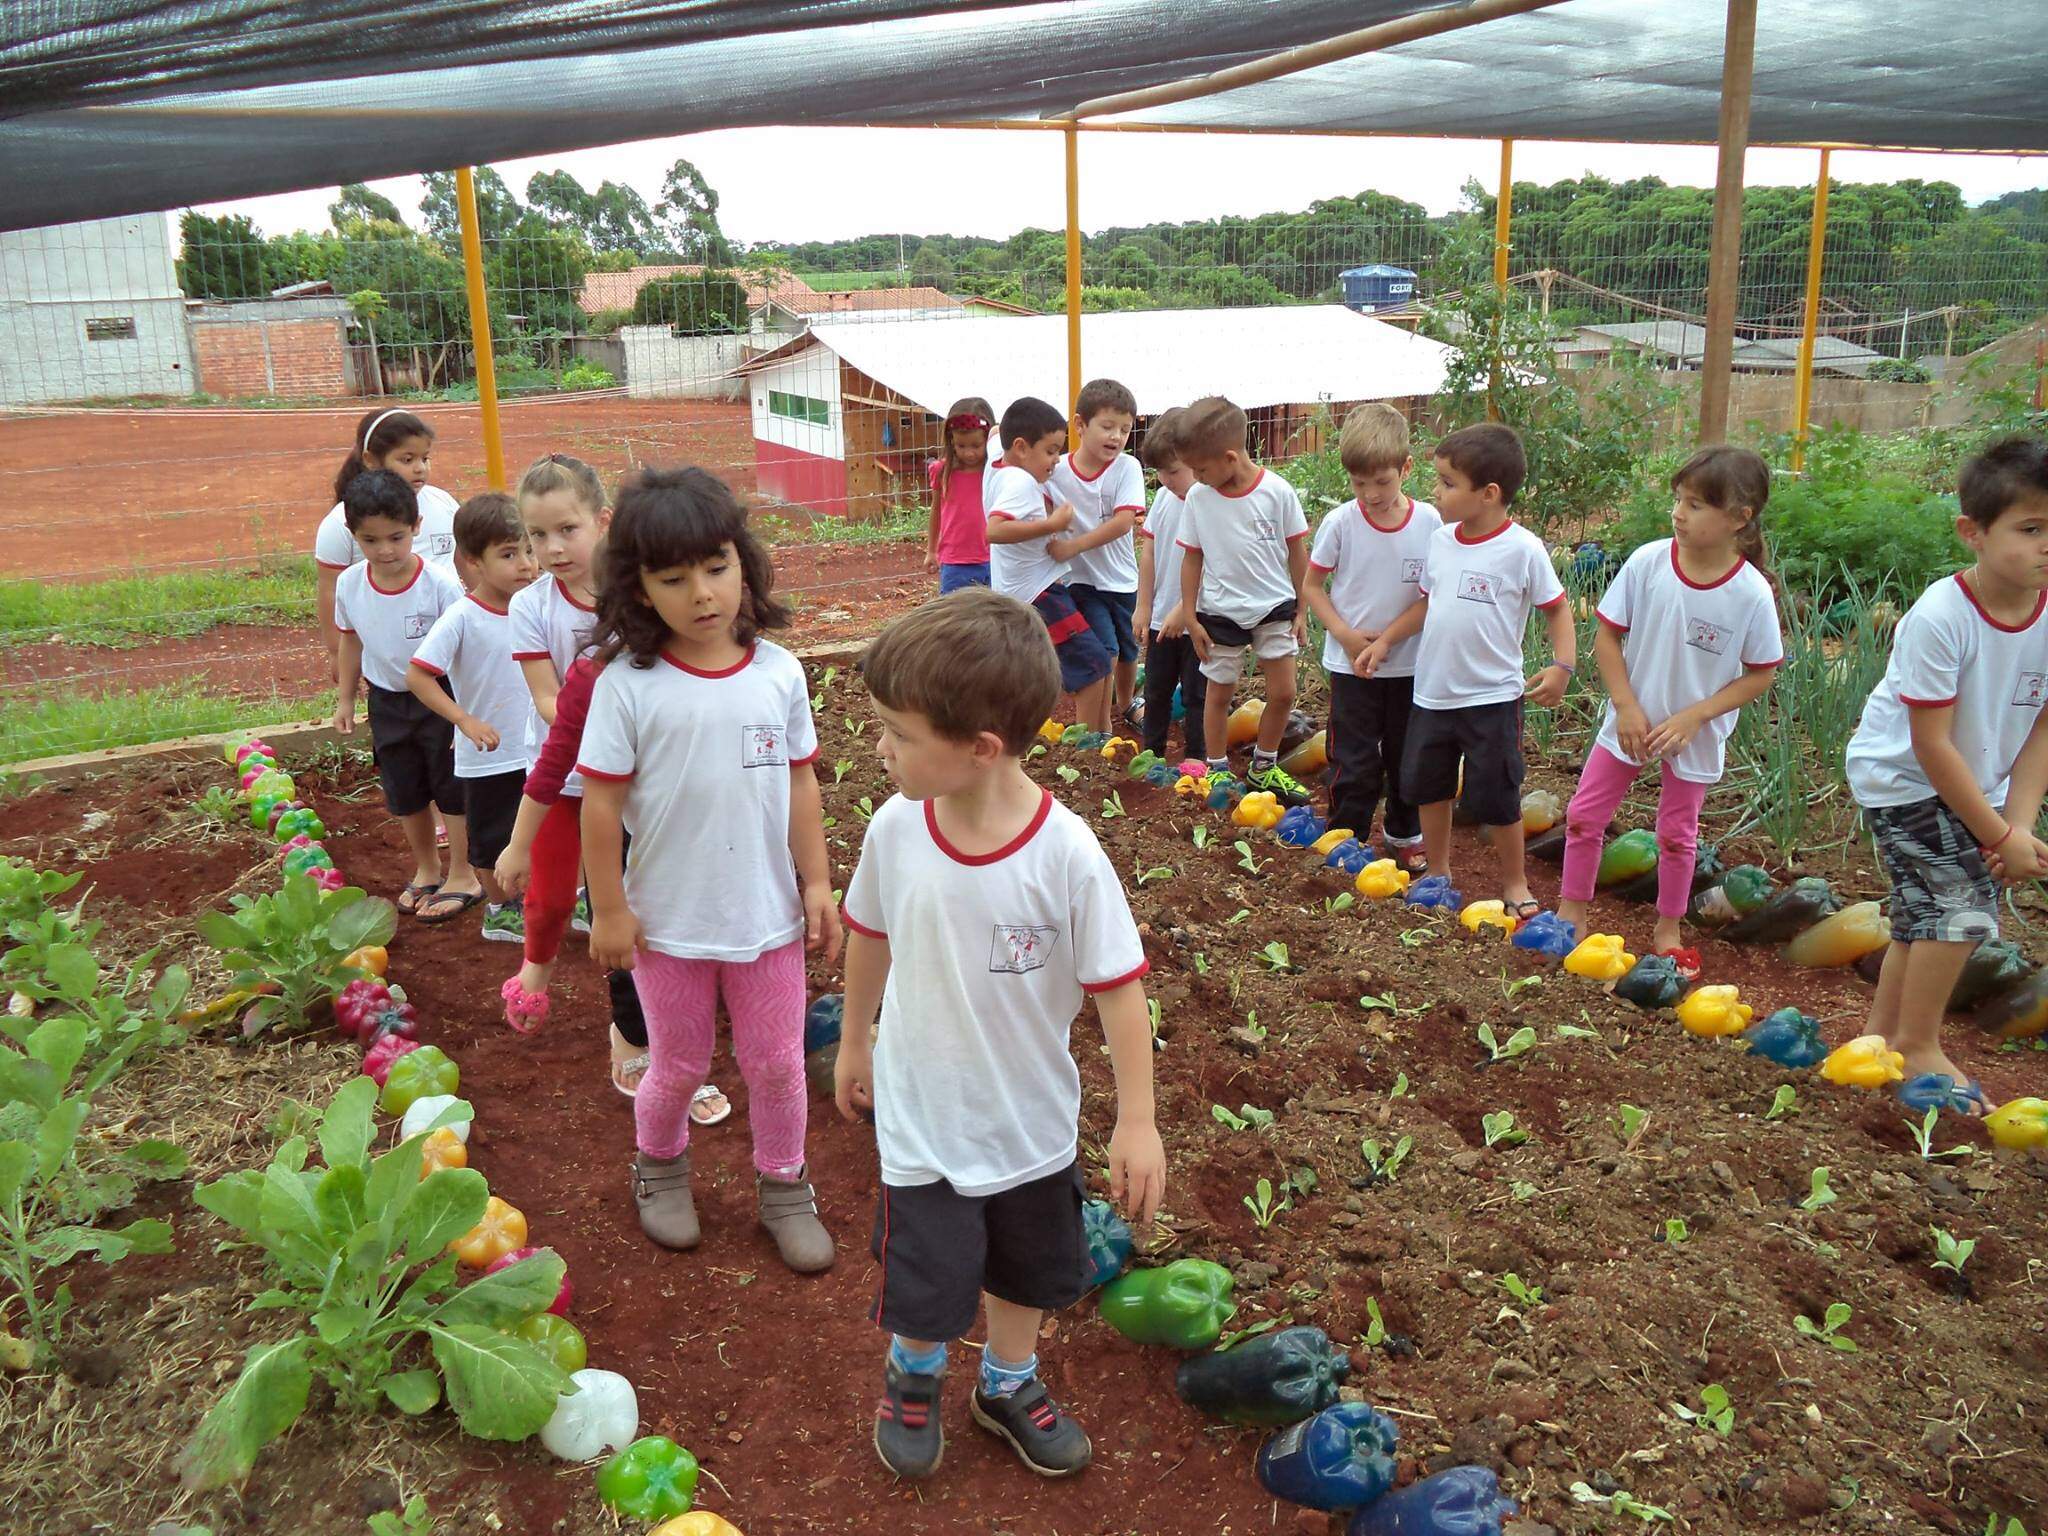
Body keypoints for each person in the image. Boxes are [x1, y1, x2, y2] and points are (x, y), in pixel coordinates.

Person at [835, 587, 1164, 1482]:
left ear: (980, 751)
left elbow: (1120, 992)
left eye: (898, 735)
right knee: (929, 1276)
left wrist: (1137, 1119)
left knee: (1028, 1269)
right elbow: (870, 932)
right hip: (924, 1117)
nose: (881, 747)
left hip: (1030, 1121)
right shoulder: (897, 830)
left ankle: (1008, 1382)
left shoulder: (1066, 855)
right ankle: (915, 1371)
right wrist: (855, 1039)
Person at [578, 466, 840, 1269]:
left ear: (745, 563)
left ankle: (785, 1186)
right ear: (638, 589)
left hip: (767, 919)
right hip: (669, 924)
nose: (702, 593)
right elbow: (597, 805)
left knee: (776, 1064)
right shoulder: (628, 687)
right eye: (674, 577)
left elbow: (800, 782)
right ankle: (660, 1171)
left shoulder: (779, 674)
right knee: (680, 1063)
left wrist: (818, 881)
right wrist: (612, 910)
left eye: (717, 567)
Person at [1845, 436, 2048, 1106]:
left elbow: (2042, 728)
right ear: (1974, 533)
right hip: (1904, 778)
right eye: (2031, 527)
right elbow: (1931, 743)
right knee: (1961, 907)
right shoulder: (1941, 617)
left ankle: (1879, 1039)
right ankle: (1920, 1045)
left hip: (1969, 785)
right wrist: (1996, 837)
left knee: (1925, 913)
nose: (2047, 543)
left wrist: (2016, 824)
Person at [1556, 447, 1783, 969]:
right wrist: (1626, 705)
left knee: (1678, 837)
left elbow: (1761, 673)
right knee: (1583, 817)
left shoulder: (1749, 594)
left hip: (1692, 734)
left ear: (1740, 519)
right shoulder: (1649, 563)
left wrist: (1696, 715)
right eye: (1679, 500)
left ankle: (1668, 928)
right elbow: (1608, 635)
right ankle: (1572, 912)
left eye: (1697, 505)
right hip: (1630, 722)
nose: (1679, 513)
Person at [1359, 423, 1575, 917]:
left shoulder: (1523, 549)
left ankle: (1515, 884)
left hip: (1492, 697)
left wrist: (1563, 665)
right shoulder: (1441, 541)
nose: (1436, 492)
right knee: (1428, 787)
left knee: (1498, 793)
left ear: (1489, 493)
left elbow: (1557, 608)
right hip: (1432, 693)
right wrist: (1389, 640)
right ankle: (1438, 873)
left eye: (1448, 483)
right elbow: (1428, 604)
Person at [1304, 403, 1441, 870]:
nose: (1370, 494)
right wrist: (1346, 636)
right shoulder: (1342, 523)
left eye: (1382, 482)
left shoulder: (1430, 525)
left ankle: (1403, 835)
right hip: (1352, 666)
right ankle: (1348, 835)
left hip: (1408, 665)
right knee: (1353, 758)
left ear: (1406, 468)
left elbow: (1430, 596)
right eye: (1359, 484)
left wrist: (1386, 641)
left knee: (1409, 757)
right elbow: (1311, 586)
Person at [329, 469, 469, 919]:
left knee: (451, 787)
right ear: (354, 536)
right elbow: (351, 640)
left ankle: (462, 874)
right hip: (387, 699)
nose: (385, 550)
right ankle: (427, 869)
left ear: (417, 528)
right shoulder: (350, 585)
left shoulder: (442, 586)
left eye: (396, 536)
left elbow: (467, 652)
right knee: (405, 790)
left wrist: (464, 713)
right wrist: (346, 698)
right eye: (370, 540)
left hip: (441, 698)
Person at [406, 492, 544, 941]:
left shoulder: (540, 606)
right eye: (509, 554)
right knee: (490, 840)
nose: (526, 564)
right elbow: (419, 676)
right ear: (472, 562)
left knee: (552, 827)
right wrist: (462, 720)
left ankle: (569, 898)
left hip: (539, 750)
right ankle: (501, 909)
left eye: (529, 549)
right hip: (488, 755)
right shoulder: (462, 618)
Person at [1175, 396, 1314, 806]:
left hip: (1274, 607)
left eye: (1201, 469)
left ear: (1230, 457)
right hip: (1220, 612)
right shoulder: (1200, 499)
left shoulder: (1277, 492)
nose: (1196, 478)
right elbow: (1192, 557)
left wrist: (1302, 608)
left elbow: (1296, 550)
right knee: (1218, 694)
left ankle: (1263, 767)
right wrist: (1190, 615)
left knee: (1284, 692)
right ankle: (1217, 769)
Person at [985, 395, 1115, 721]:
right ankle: (1087, 747)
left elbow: (995, 435)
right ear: (1020, 447)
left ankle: (1098, 738)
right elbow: (995, 530)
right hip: (1038, 593)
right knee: (1094, 664)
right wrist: (1052, 524)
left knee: (1037, 667)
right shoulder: (1020, 482)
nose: (1057, 460)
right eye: (1051, 450)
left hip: (1019, 590)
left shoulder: (996, 463)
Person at [316, 409, 460, 668]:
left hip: (448, 653)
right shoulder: (339, 523)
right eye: (407, 459)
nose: (420, 468)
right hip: (390, 658)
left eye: (425, 458)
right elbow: (330, 591)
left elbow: (466, 563)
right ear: (371, 460)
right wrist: (335, 652)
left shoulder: (444, 504)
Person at [1049, 378, 1146, 731]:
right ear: (1079, 425)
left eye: (1125, 429)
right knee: (1105, 650)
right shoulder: (1056, 470)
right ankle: (1100, 727)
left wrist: (1072, 546)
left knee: (1127, 648)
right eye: (1107, 426)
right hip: (1081, 580)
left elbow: (1123, 523)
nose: (1116, 437)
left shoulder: (1127, 467)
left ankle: (1127, 703)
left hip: (1121, 579)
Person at [1133, 407, 1208, 765]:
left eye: (1174, 471)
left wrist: (1184, 611)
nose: (1166, 479)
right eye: (1160, 472)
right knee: (1157, 689)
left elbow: (1212, 561)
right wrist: (1144, 605)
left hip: (1198, 620)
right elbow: (1149, 550)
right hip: (1162, 616)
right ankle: (1152, 757)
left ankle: (1198, 762)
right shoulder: (1164, 498)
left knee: (1198, 693)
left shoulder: (1208, 502)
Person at [926, 397, 994, 594]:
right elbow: (936, 511)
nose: (969, 453)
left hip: (991, 557)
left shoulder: (994, 472)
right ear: (951, 441)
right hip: (955, 561)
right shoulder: (941, 470)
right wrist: (931, 550)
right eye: (961, 446)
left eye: (976, 445)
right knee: (955, 616)